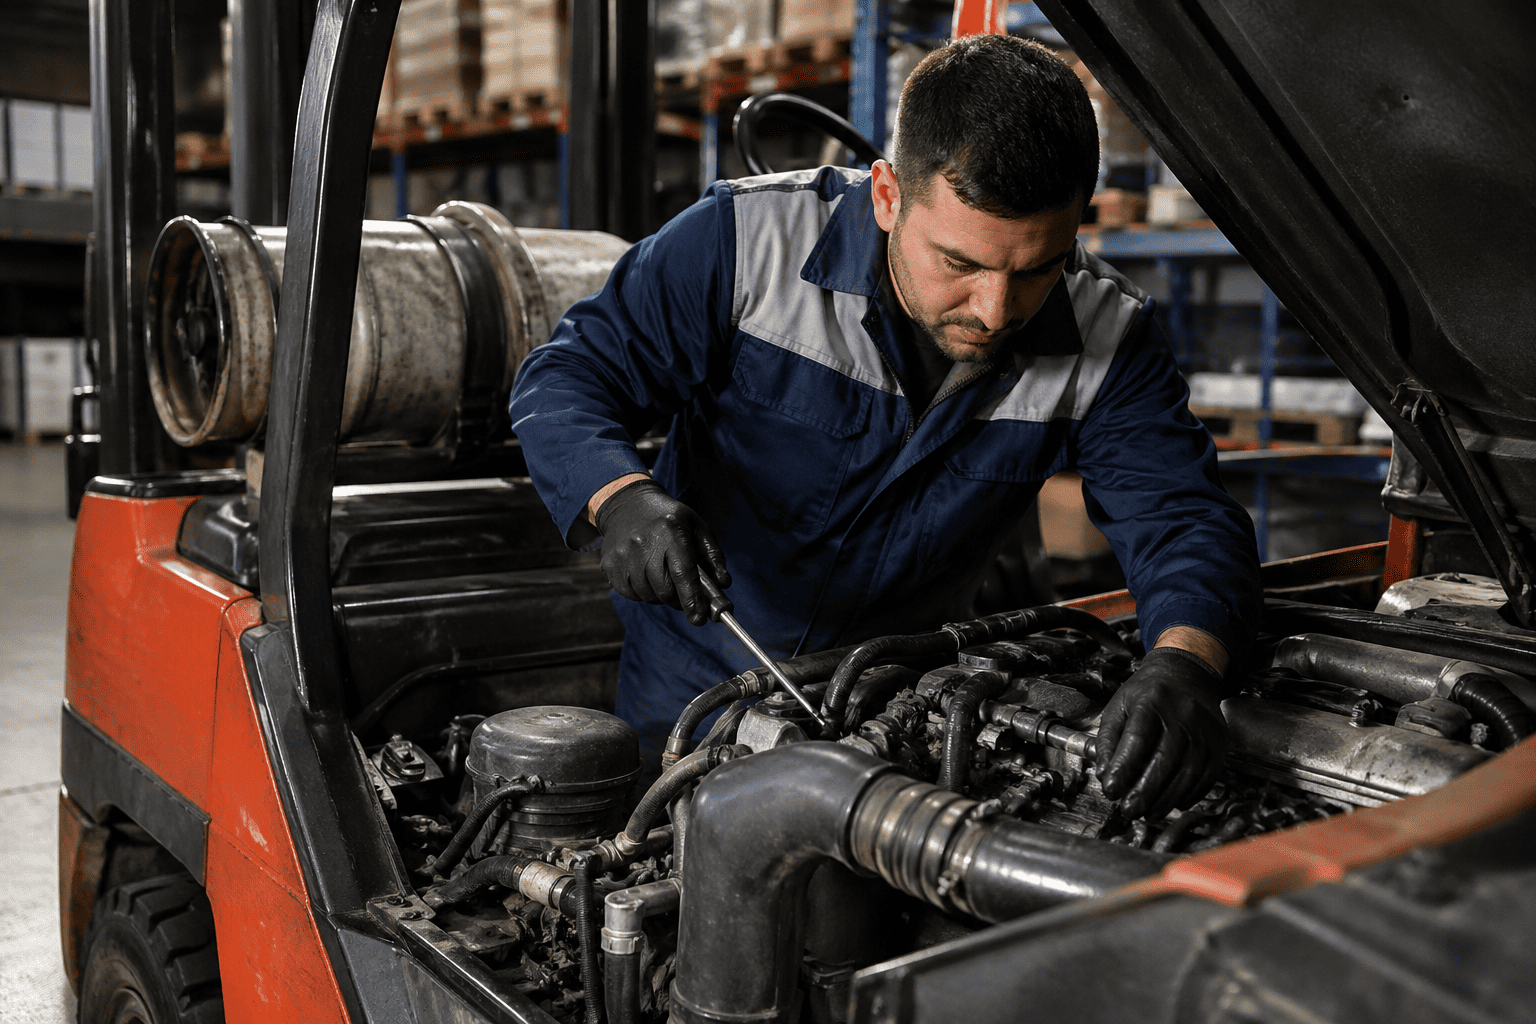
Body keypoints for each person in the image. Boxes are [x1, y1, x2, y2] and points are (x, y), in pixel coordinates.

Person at [509, 34, 1261, 821]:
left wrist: (1186, 663)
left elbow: (1181, 518)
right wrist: (619, 495)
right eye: (962, 264)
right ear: (887, 196)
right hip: (697, 682)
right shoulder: (742, 245)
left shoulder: (1108, 339)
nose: (996, 312)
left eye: (1038, 268)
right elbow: (569, 375)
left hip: (899, 707)